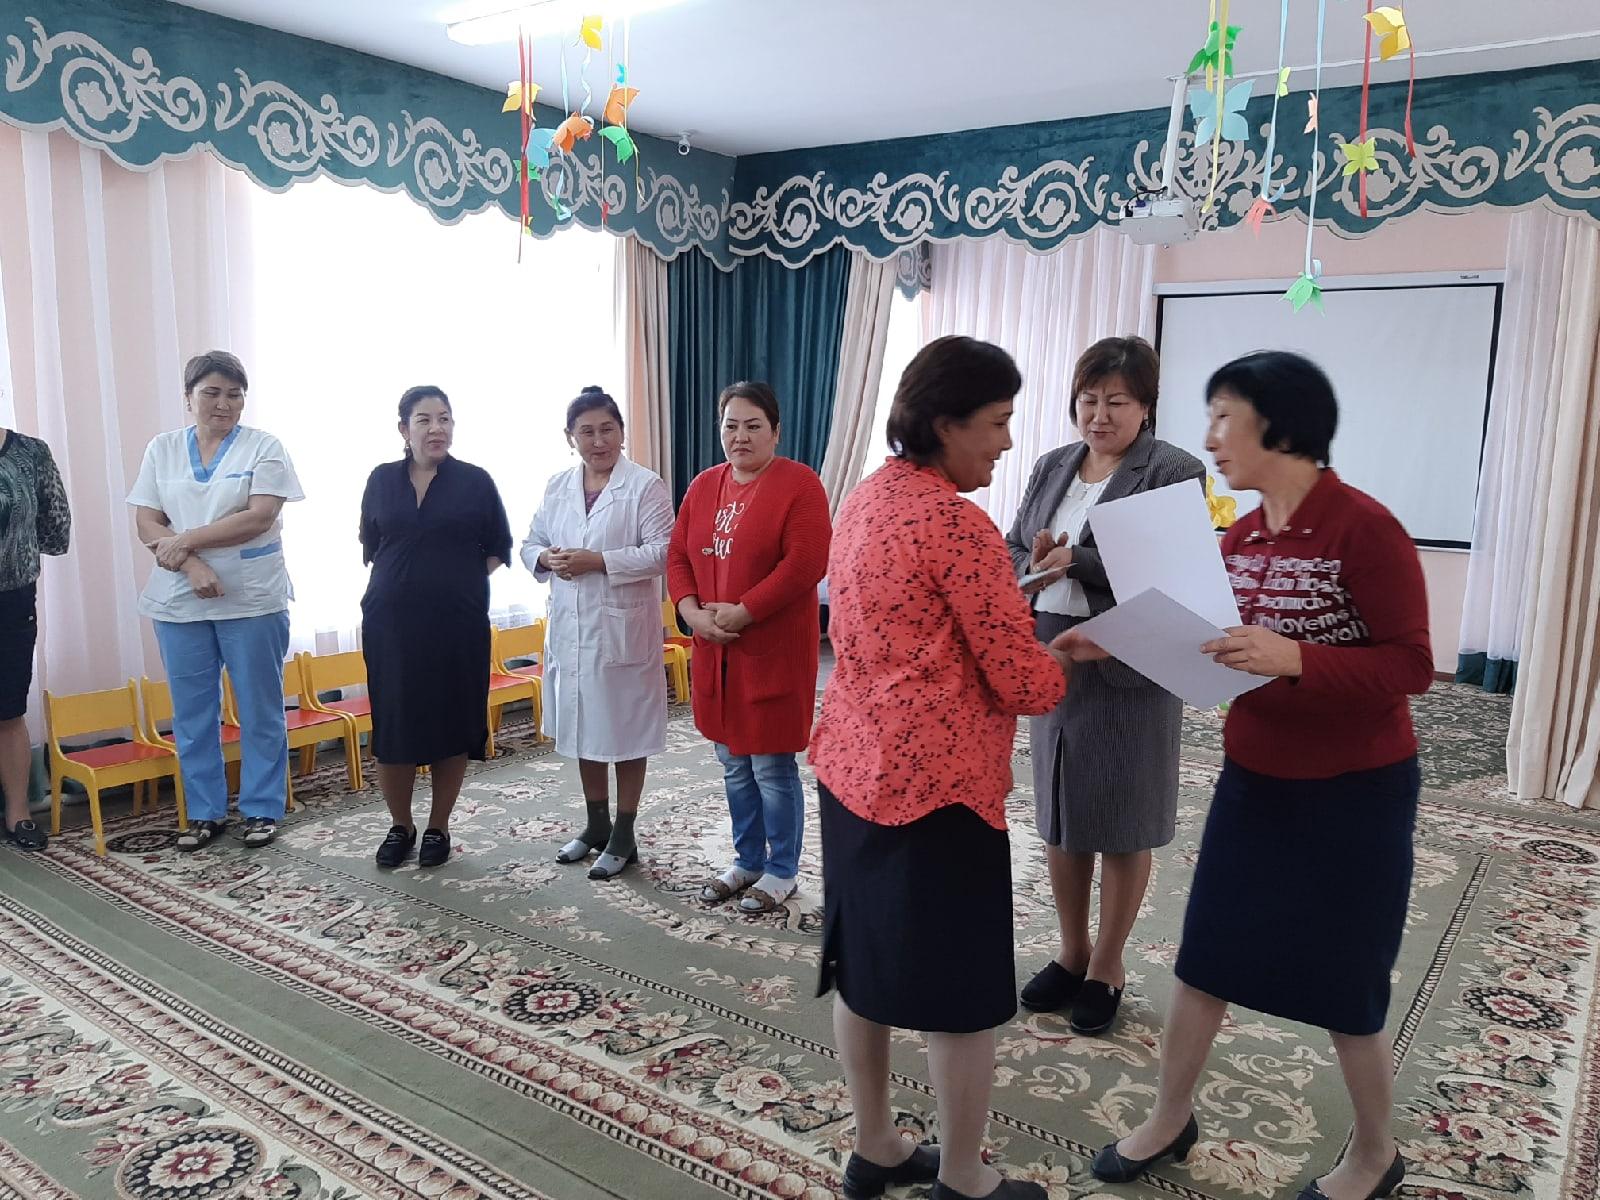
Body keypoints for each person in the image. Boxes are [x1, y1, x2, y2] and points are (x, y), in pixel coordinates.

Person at [1089, 351, 1432, 1200]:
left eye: (1222, 417)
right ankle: (1170, 1117)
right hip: (1254, 781)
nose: (1208, 437)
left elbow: (1412, 665)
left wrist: (1297, 658)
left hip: (1356, 791)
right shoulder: (1240, 536)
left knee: (1347, 981)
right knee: (1206, 959)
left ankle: (1376, 1154)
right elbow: (1220, 644)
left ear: (1278, 424)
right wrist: (1118, 639)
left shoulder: (1365, 528)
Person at [812, 335, 1098, 1200]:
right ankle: (966, 1179)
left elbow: (904, 626)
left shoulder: (867, 495)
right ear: (946, 424)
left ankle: (876, 1146)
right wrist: (1066, 656)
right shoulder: (957, 523)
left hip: (853, 767)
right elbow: (1022, 682)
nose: (1007, 442)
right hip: (938, 790)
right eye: (998, 422)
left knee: (862, 968)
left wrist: (1012, 603)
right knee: (962, 995)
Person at [1004, 336, 1205, 1036]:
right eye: (1088, 400)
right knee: (1062, 812)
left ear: (1146, 406)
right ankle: (1071, 951)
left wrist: (1077, 562)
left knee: (1122, 819)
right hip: (1052, 654)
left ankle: (1108, 965)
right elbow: (1014, 542)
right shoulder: (1052, 464)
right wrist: (1030, 561)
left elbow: (1172, 573)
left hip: (1129, 658)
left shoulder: (1172, 469)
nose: (1099, 415)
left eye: (1116, 402)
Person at [128, 350, 303, 850]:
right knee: (192, 714)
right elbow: (147, 521)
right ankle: (205, 812)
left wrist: (186, 540)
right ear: (189, 397)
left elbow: (259, 516)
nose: (223, 403)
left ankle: (262, 808)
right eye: (211, 393)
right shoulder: (162, 448)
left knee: (259, 707)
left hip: (251, 598)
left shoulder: (264, 447)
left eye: (234, 394)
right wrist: (191, 563)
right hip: (180, 600)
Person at [666, 381, 829, 913]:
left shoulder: (800, 484)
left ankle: (782, 869)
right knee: (733, 763)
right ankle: (747, 859)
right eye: (731, 425)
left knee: (770, 767)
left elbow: (806, 563)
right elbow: (678, 556)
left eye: (753, 425)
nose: (740, 436)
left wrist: (745, 610)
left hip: (770, 650)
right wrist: (692, 613)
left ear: (775, 432)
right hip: (715, 651)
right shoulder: (703, 485)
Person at [521, 386, 674, 880]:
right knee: (583, 728)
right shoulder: (557, 486)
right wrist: (547, 558)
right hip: (572, 628)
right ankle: (596, 824)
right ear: (570, 437)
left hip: (622, 630)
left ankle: (624, 832)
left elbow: (663, 551)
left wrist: (599, 561)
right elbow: (530, 543)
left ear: (622, 432)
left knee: (626, 732)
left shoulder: (645, 486)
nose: (598, 440)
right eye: (586, 431)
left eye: (607, 429)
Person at [360, 386, 512, 870]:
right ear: (403, 429)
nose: (436, 428)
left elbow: (498, 546)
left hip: (457, 625)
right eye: (424, 420)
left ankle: (438, 826)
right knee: (395, 724)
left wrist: (456, 582)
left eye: (444, 418)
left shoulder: (475, 481)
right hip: (391, 625)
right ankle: (400, 825)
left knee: (453, 722)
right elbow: (372, 543)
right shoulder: (381, 479)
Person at [0, 425, 70, 850]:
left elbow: (56, 530)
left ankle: (19, 816)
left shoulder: (30, 453)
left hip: (12, 601)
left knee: (8, 710)